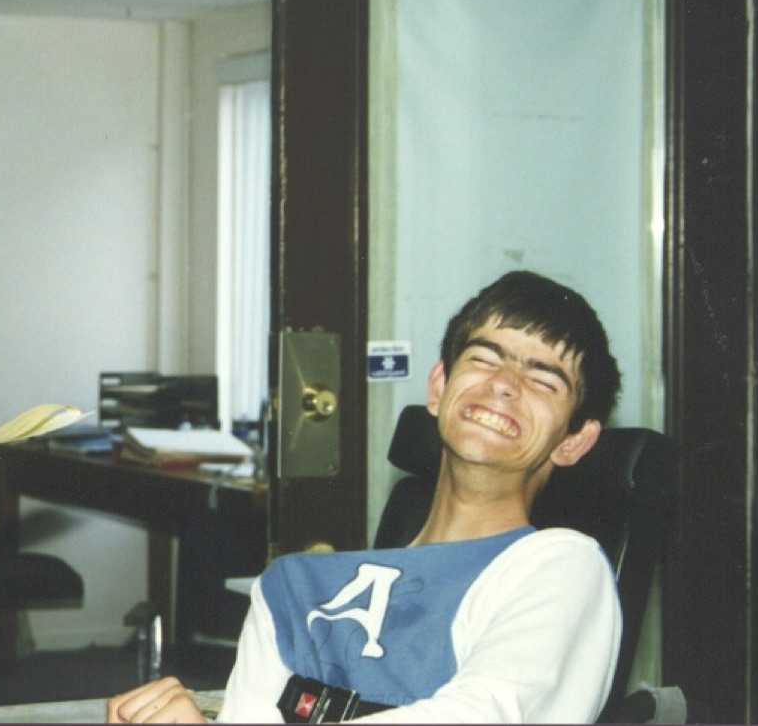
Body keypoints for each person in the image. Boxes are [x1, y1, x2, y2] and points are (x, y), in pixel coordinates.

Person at [108, 270, 624, 723]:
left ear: (574, 441)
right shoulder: (293, 587)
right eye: (485, 357)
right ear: (439, 387)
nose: (505, 384)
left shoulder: (561, 566)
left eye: (543, 379)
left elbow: (483, 715)